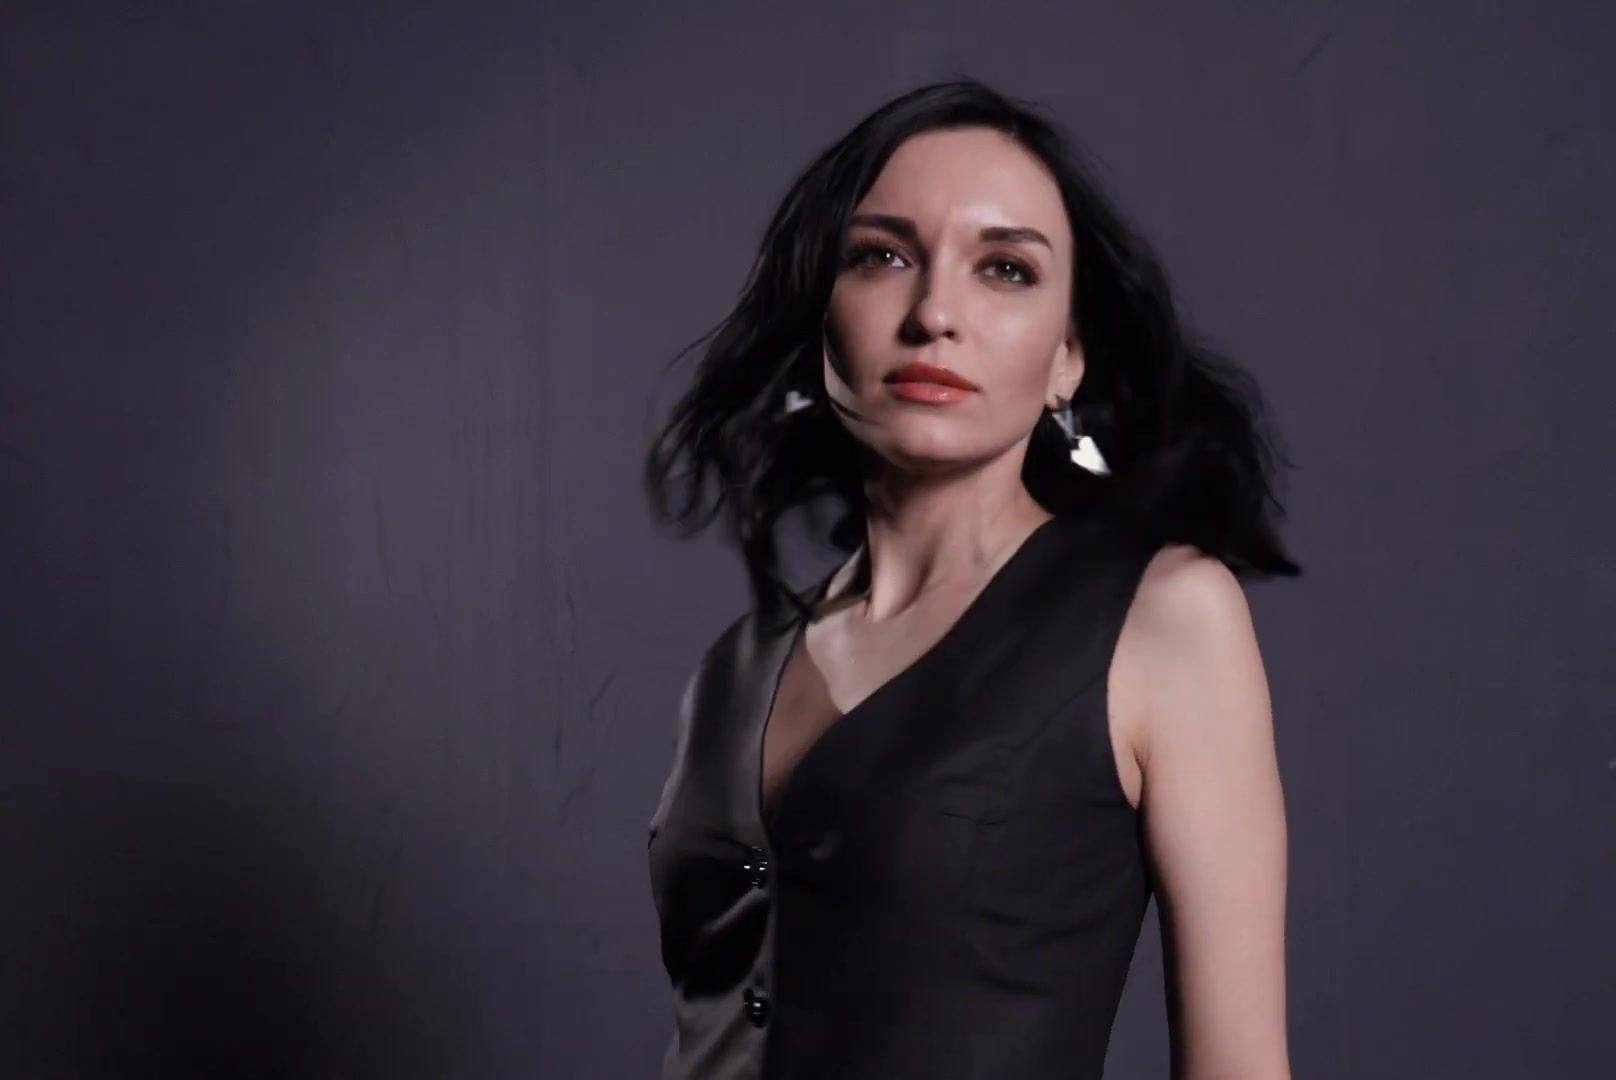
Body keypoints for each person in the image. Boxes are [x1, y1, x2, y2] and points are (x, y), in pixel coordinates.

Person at [641, 77, 1300, 1080]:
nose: (935, 313)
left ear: (1066, 358)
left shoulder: (1162, 619)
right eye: (881, 256)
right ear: (818, 315)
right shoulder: (733, 671)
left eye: (1004, 269)